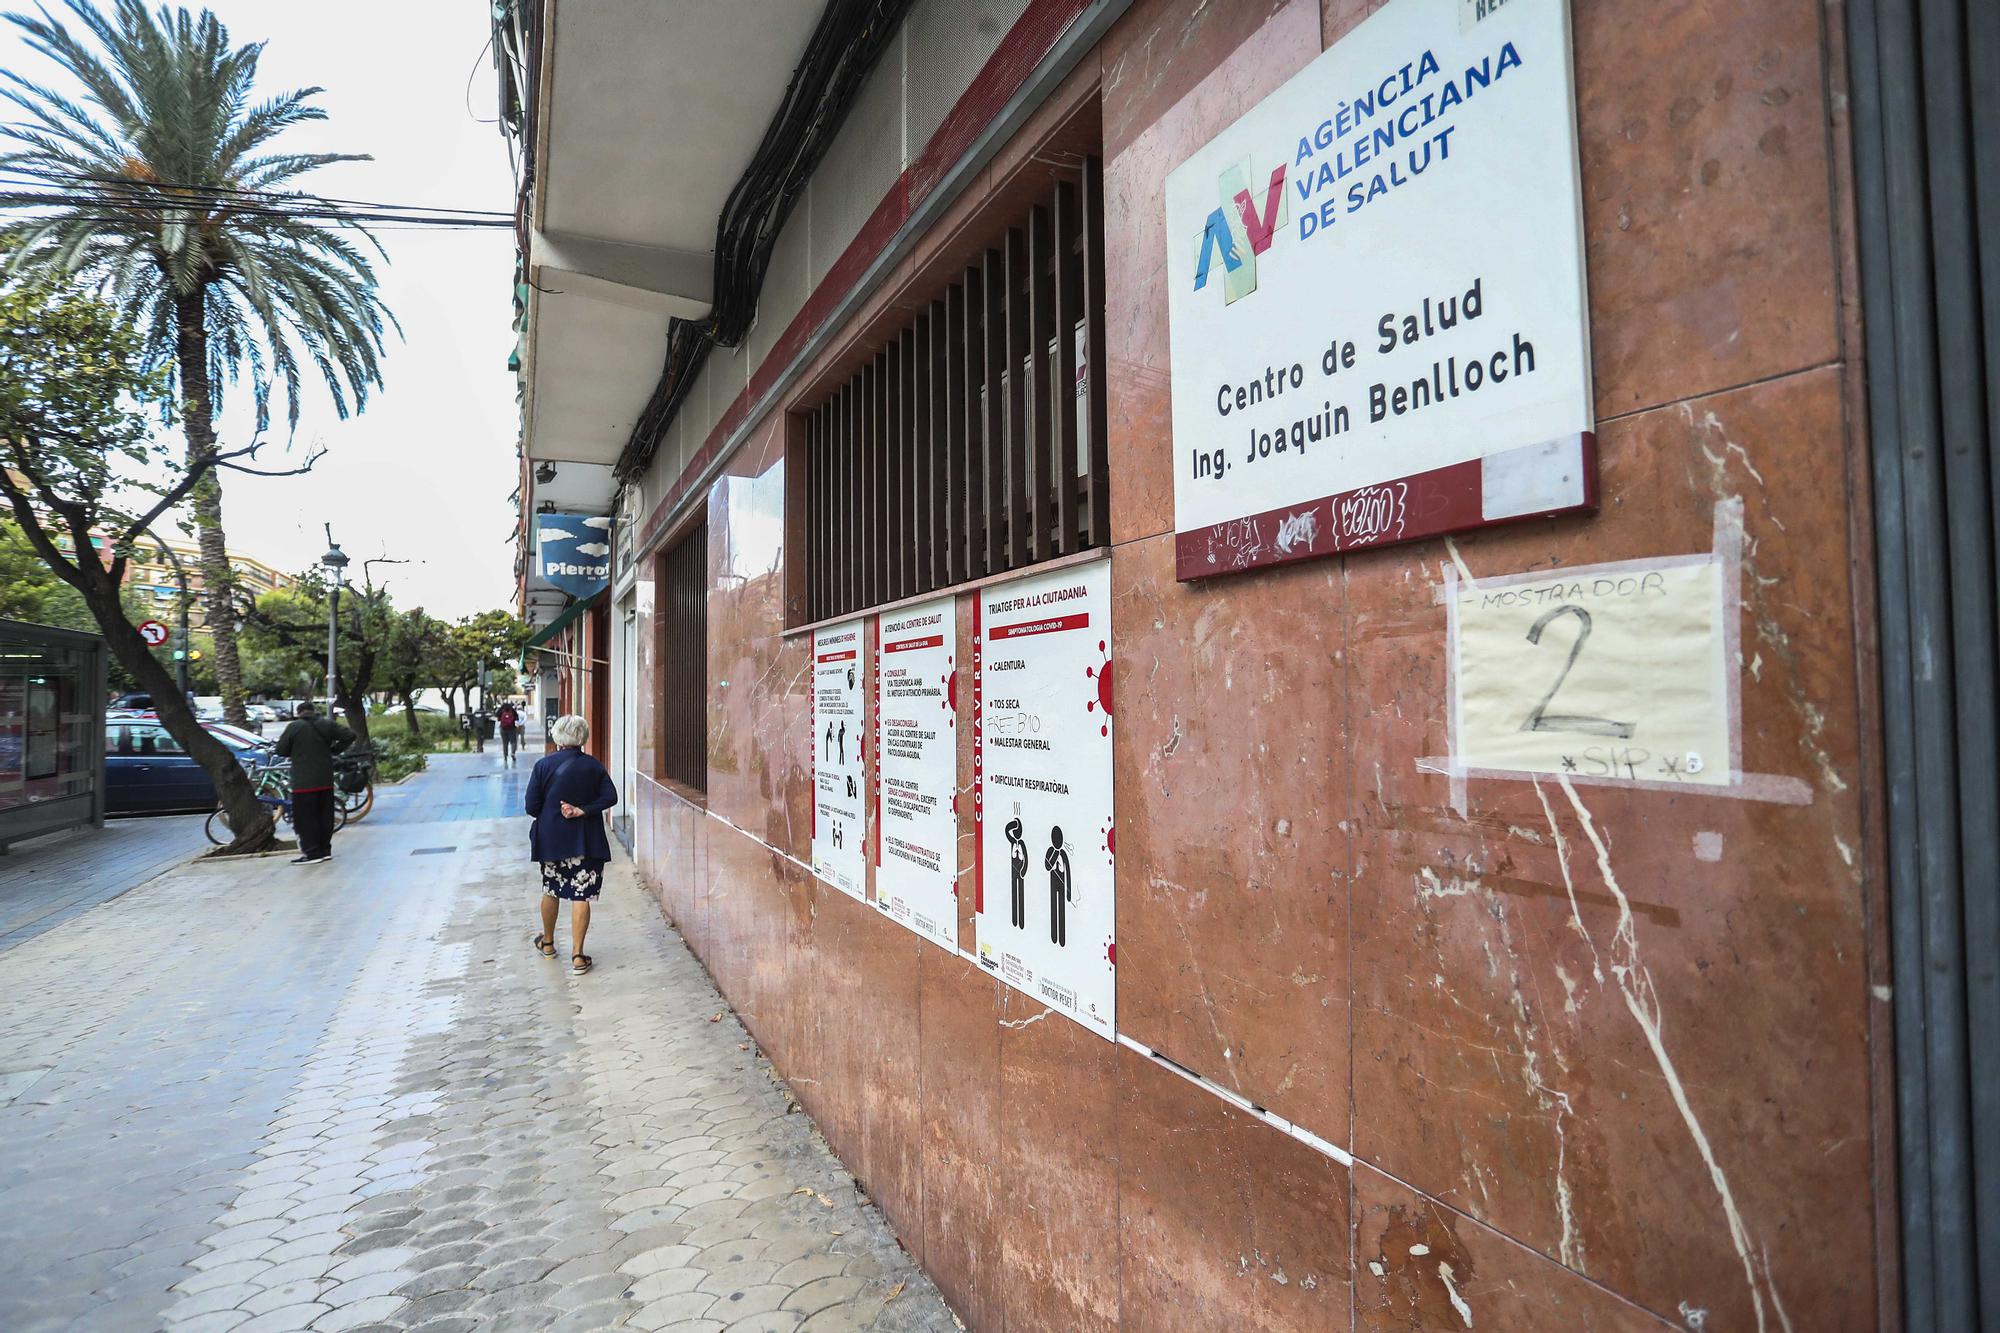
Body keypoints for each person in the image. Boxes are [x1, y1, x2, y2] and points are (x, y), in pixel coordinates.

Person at [525, 713, 618, 974]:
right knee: (581, 894)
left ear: (557, 736)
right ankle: (578, 957)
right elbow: (611, 797)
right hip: (584, 840)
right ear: (582, 737)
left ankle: (548, 943)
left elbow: (531, 807)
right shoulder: (593, 766)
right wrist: (582, 810)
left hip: (551, 839)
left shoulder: (543, 766)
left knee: (550, 889)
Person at [275, 702, 354, 865]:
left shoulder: (294, 726)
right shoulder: (326, 724)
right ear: (313, 711)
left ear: (299, 713)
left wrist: (296, 751)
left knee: (305, 818)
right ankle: (325, 850)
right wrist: (333, 751)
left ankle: (312, 853)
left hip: (303, 782)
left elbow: (281, 750)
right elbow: (350, 735)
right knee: (325, 815)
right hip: (325, 779)